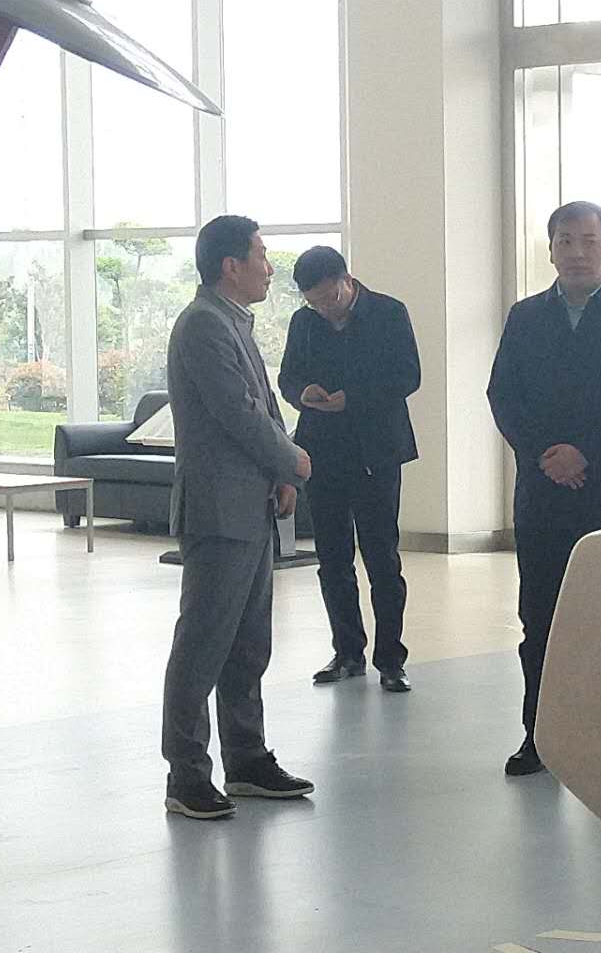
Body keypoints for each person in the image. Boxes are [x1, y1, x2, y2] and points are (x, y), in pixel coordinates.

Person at [487, 200, 601, 777]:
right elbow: (503, 395)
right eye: (566, 241)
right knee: (538, 616)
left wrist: (583, 453)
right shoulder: (525, 317)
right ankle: (539, 734)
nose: (578, 252)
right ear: (551, 250)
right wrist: (547, 456)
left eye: (590, 241)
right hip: (542, 490)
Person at [162, 215, 315, 820]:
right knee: (203, 644)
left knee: (248, 643)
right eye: (261, 255)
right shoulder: (203, 324)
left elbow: (263, 406)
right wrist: (293, 459)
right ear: (231, 265)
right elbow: (237, 412)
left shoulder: (233, 321)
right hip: (218, 509)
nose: (269, 268)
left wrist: (280, 473)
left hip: (251, 505)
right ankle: (186, 775)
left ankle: (246, 759)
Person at [279, 246, 421, 694]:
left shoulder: (389, 313)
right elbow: (287, 378)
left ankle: (391, 659)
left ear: (348, 279)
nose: (325, 308)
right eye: (315, 302)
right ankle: (347, 652)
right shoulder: (304, 322)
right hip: (323, 451)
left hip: (376, 451)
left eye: (330, 297)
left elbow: (408, 376)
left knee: (382, 558)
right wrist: (304, 392)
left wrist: (353, 397)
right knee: (333, 558)